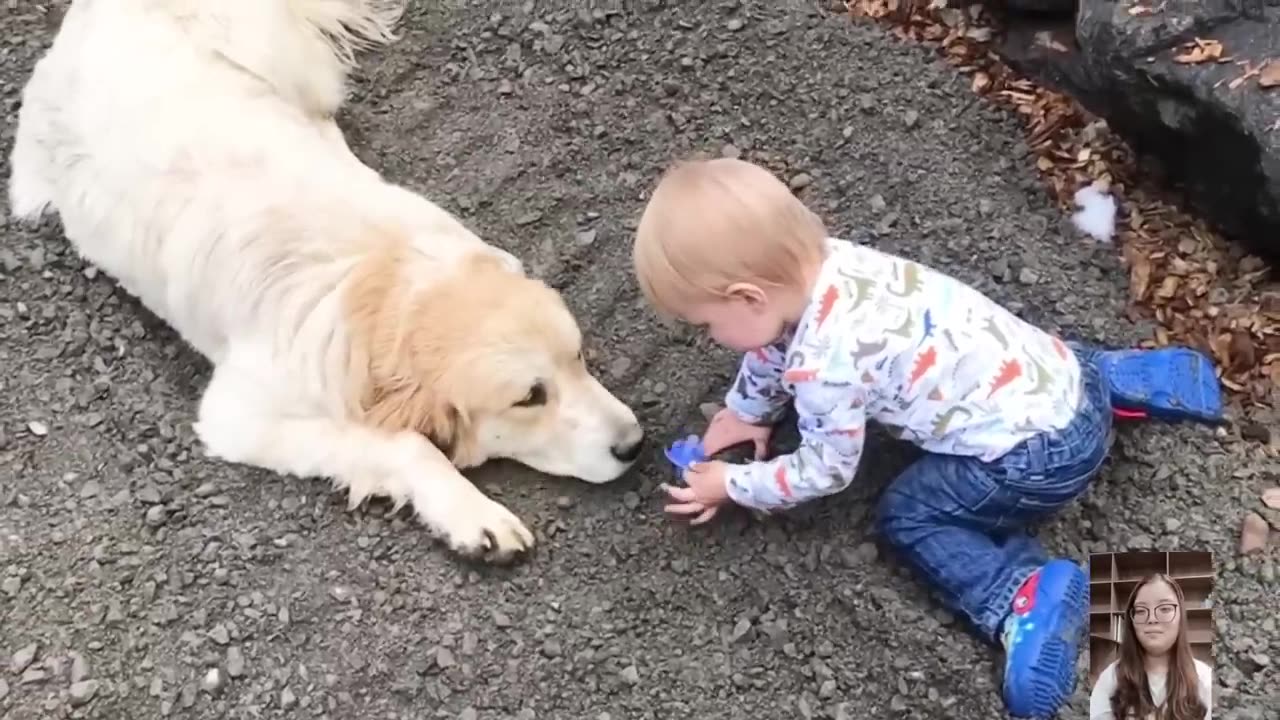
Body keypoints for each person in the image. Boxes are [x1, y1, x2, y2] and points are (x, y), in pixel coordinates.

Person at [632, 157, 1111, 719]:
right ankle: (1127, 383)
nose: (711, 337)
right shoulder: (829, 266)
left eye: (705, 323)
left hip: (1040, 459)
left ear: (747, 298)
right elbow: (769, 344)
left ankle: (1019, 594)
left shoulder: (825, 365)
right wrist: (746, 411)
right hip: (1069, 376)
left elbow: (826, 470)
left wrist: (734, 484)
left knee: (909, 514)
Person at [1090, 574, 1213, 720]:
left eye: (1165, 609)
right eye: (1141, 611)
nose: (1152, 619)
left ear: (1181, 616)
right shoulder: (1111, 678)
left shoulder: (1205, 679)